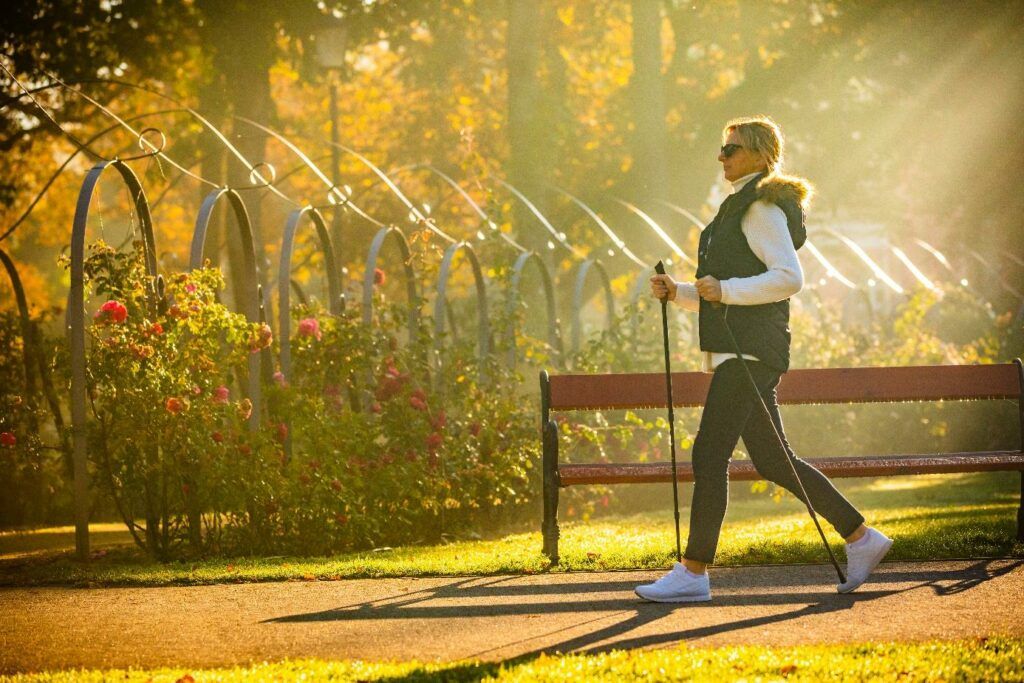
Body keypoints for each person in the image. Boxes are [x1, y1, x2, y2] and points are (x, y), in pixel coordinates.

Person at [640, 115, 892, 602]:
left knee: (709, 453)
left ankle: (693, 572)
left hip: (751, 351)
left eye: (731, 149)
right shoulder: (740, 205)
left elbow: (788, 278)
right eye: (722, 148)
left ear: (759, 155)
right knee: (775, 461)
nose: (722, 156)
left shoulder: (760, 207)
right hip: (747, 348)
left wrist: (725, 290)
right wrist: (680, 292)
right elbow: (723, 289)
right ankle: (861, 537)